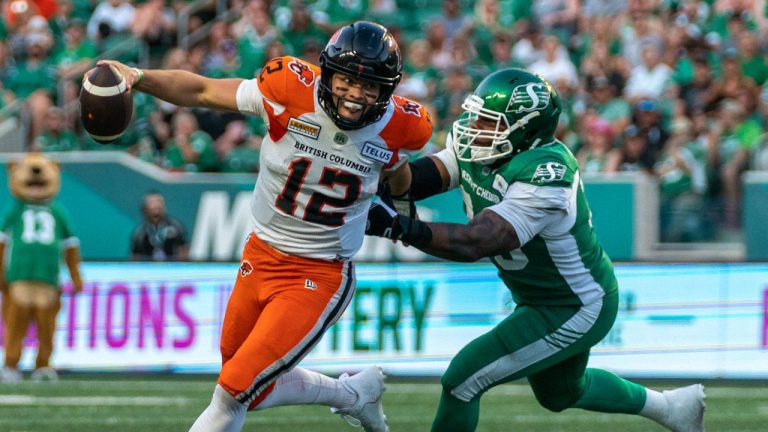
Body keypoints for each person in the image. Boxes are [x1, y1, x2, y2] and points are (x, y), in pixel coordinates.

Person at [94, 20, 431, 432]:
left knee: (233, 388)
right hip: (260, 254)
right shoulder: (287, 89)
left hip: (320, 272)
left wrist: (395, 196)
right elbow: (202, 90)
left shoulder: (403, 126)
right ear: (327, 72)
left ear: (387, 91)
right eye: (346, 80)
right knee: (246, 388)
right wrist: (139, 77)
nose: (356, 95)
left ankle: (355, 396)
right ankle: (355, 395)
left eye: (371, 86)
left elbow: (399, 176)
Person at [366, 68, 705, 432]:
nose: (473, 126)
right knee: (560, 394)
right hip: (542, 297)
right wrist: (388, 167)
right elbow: (419, 179)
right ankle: (672, 408)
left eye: (487, 121)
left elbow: (477, 241)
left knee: (463, 380)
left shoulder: (547, 174)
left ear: (525, 129)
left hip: (575, 304)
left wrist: (397, 225)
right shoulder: (482, 146)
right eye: (476, 115)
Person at [130, 191, 189, 261]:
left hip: (172, 268)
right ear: (144, 208)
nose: (157, 205)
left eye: (159, 201)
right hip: (148, 269)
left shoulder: (176, 226)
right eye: (152, 202)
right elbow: (135, 257)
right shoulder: (139, 232)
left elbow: (183, 250)